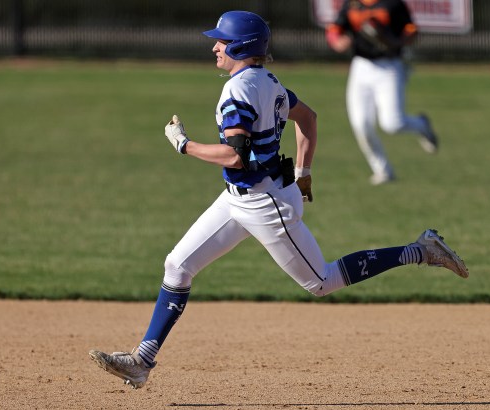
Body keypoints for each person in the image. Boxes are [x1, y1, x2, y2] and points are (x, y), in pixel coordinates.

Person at [89, 10, 468, 389]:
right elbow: (309, 118)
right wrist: (303, 172)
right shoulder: (267, 80)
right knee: (177, 266)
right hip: (239, 199)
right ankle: (142, 361)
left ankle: (421, 250)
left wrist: (184, 145)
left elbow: (235, 154)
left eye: (221, 40)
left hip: (265, 204)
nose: (214, 46)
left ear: (240, 46)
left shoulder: (237, 90)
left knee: (322, 282)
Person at [325, 0, 439, 185]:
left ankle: (421, 124)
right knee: (361, 124)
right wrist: (337, 42)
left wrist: (398, 41)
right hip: (361, 66)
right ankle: (383, 170)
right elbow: (334, 29)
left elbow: (410, 28)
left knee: (392, 124)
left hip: (389, 66)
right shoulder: (353, 4)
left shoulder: (392, 3)